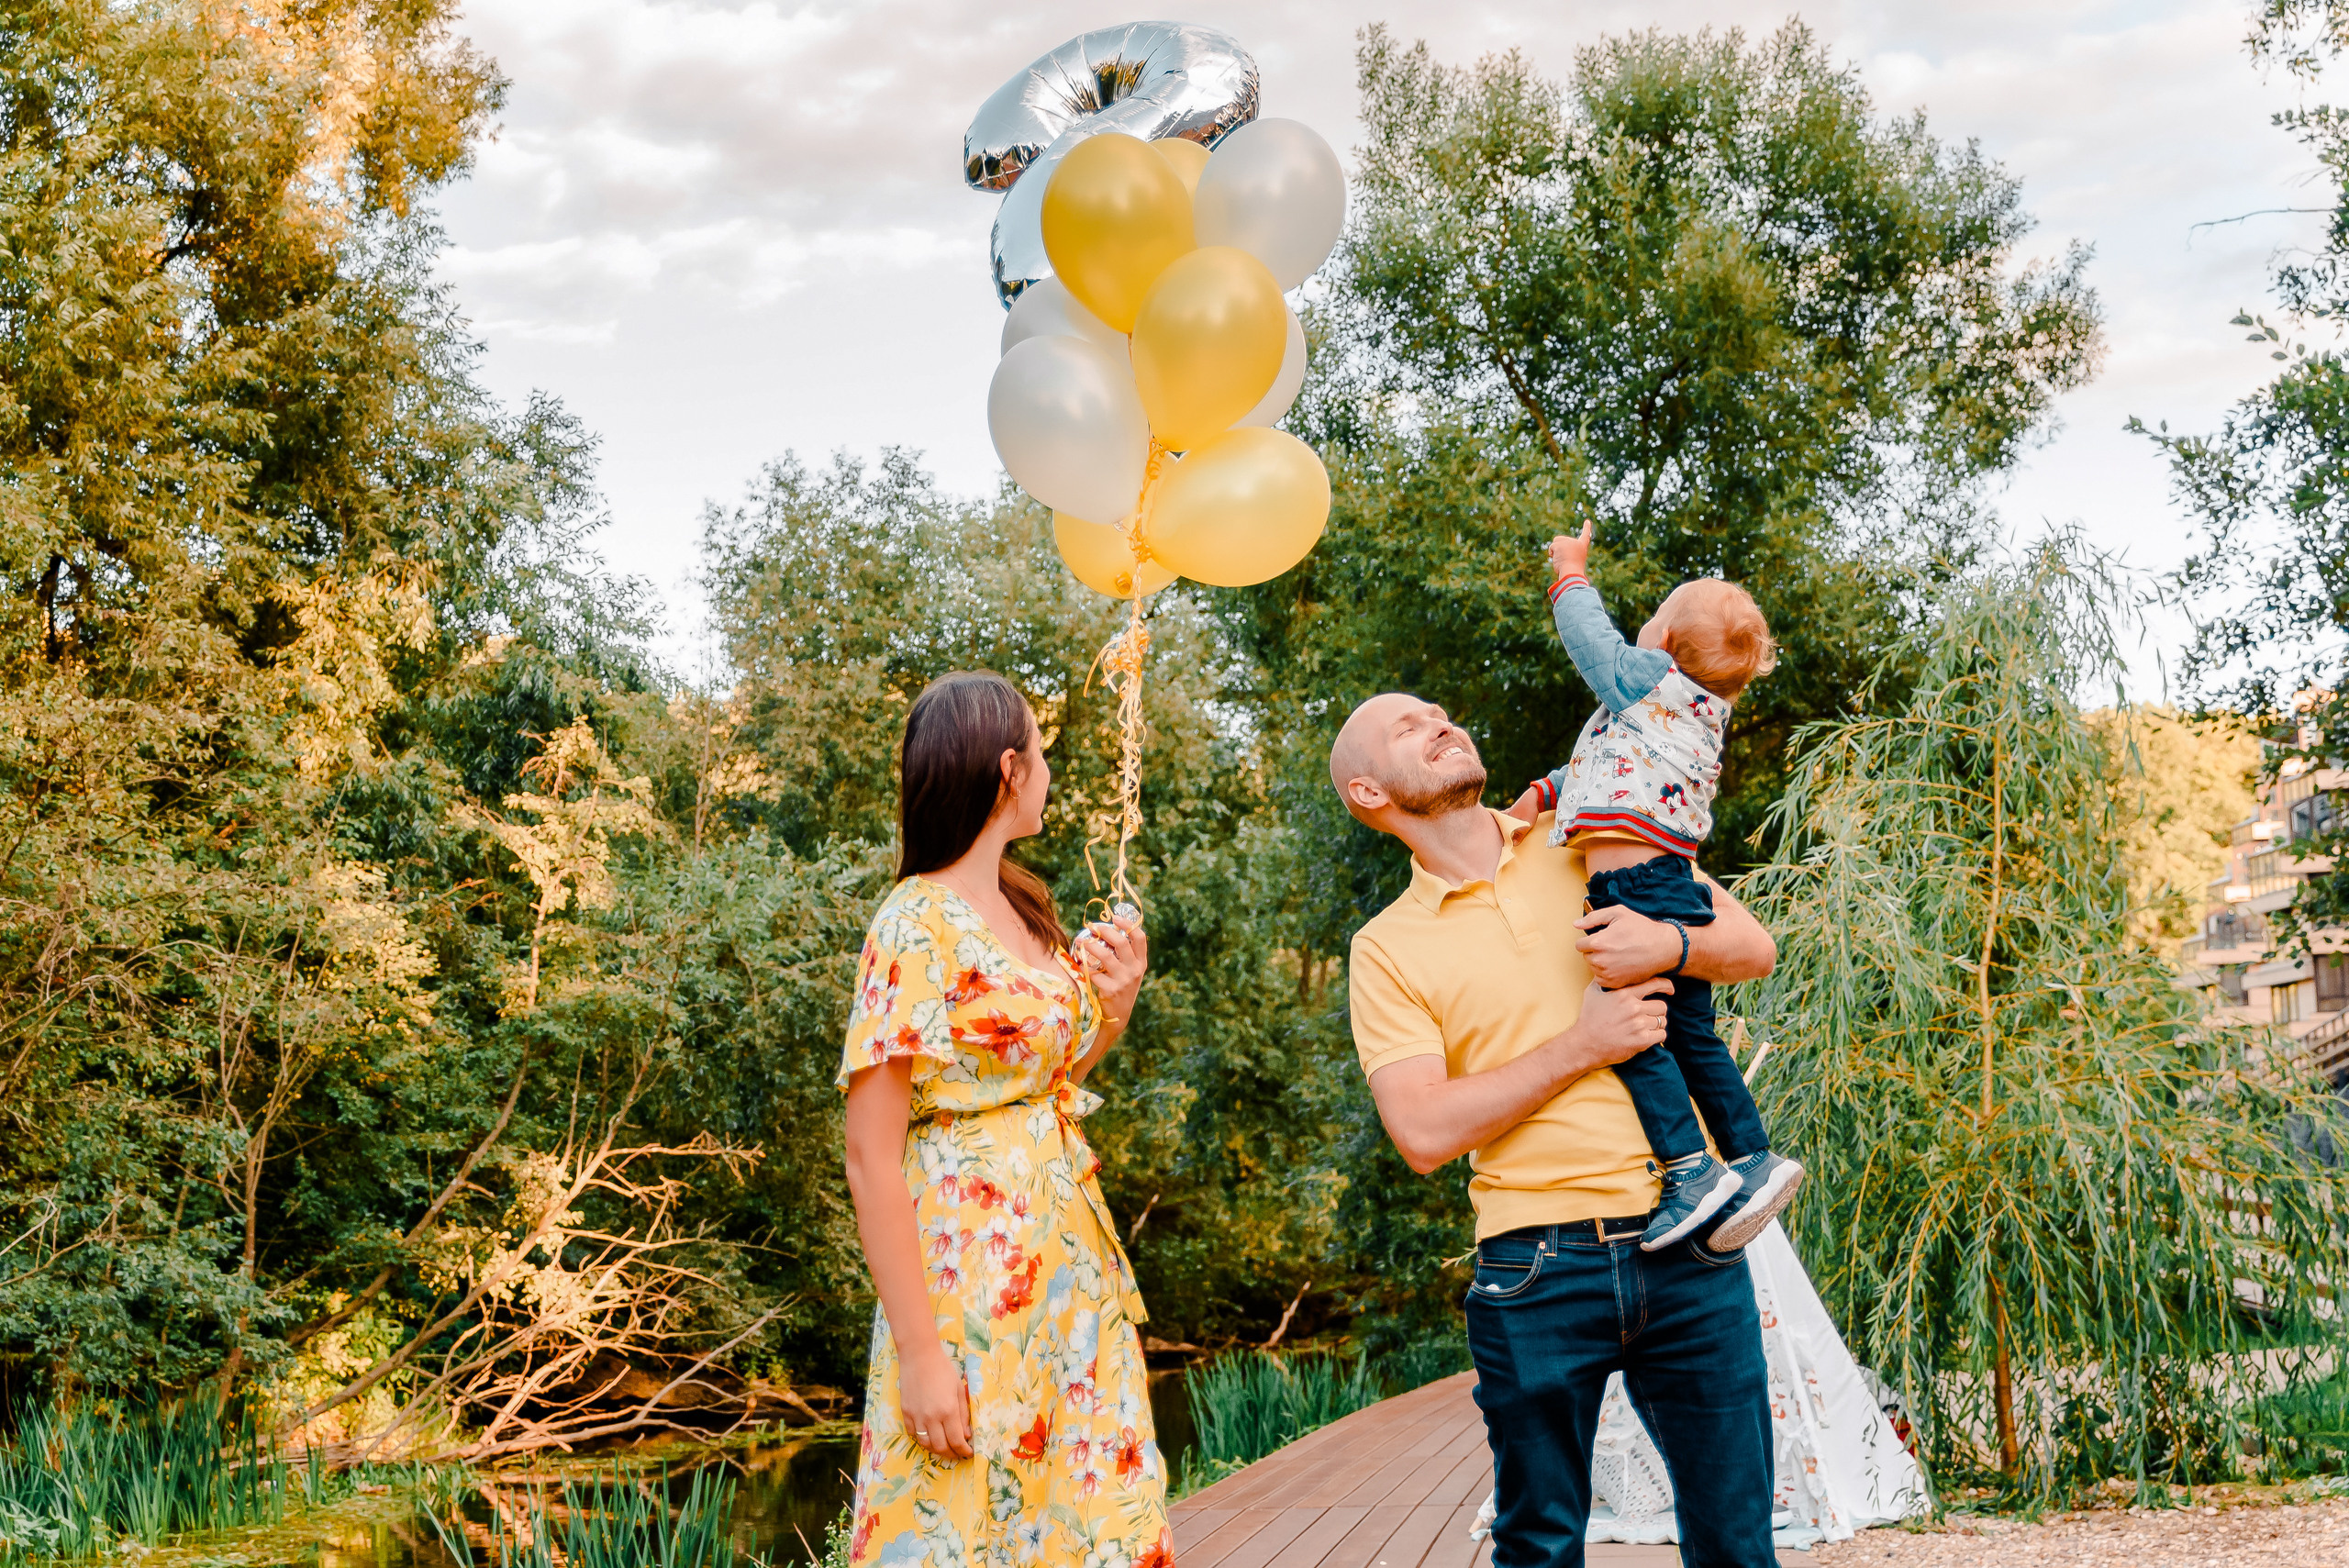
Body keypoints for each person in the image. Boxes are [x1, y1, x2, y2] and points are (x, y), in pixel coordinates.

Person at [1331, 692, 1779, 1568]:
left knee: (1738, 1548)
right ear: (1368, 793)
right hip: (1533, 1268)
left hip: (1690, 1242)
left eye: (1439, 713)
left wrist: (1669, 948)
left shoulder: (1587, 830)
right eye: (1408, 728)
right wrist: (1580, 1046)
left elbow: (1749, 944)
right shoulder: (1386, 947)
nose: (1441, 724)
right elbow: (1422, 1132)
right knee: (1538, 1551)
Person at [838, 670, 1166, 1568]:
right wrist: (918, 1353)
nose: (1052, 772)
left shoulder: (1027, 908)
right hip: (966, 1276)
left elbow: (1046, 1077)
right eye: (1045, 753)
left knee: (1086, 1525)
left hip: (1066, 1266)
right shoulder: (912, 921)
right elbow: (870, 1155)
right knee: (961, 1523)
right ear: (1010, 768)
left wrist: (1118, 1000)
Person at [1505, 519, 1799, 1253]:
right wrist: (1544, 791)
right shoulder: (1689, 713)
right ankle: (1753, 1157)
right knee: (1692, 1034)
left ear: (1663, 643)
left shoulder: (1646, 679)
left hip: (1631, 892)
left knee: (1632, 1035)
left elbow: (1590, 644)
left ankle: (1690, 1171)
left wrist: (1570, 571)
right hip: (1670, 886)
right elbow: (1604, 770)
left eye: (1657, 615)